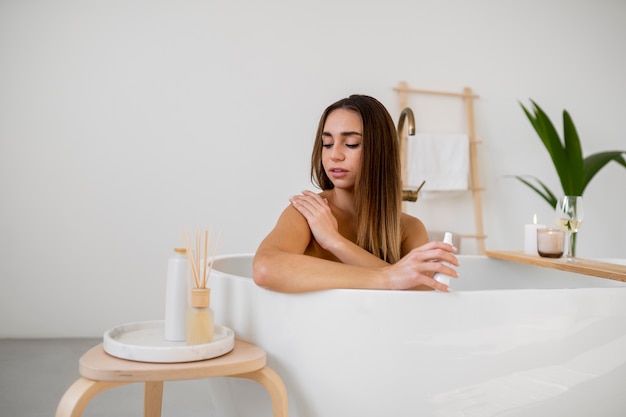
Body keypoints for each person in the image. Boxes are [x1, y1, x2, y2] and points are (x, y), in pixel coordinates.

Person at [253, 94, 458, 293]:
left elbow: (422, 290)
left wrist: (335, 242)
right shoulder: (309, 213)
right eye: (327, 144)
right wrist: (387, 277)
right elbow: (265, 269)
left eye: (351, 144)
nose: (335, 155)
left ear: (379, 151)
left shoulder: (408, 229)